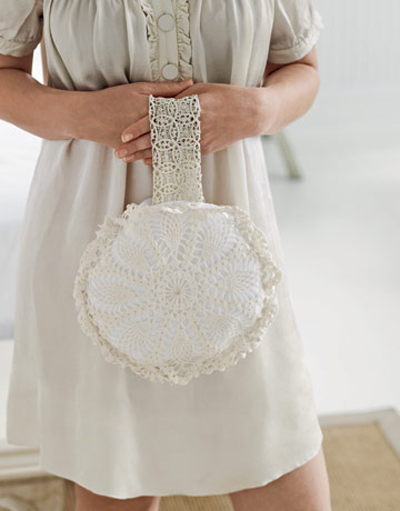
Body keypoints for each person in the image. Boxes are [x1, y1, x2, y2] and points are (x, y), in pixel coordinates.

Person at [0, 0, 332, 509]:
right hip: (93, 243)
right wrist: (83, 114)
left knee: (276, 443)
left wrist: (258, 110)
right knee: (116, 466)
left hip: (234, 245)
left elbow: (301, 68)